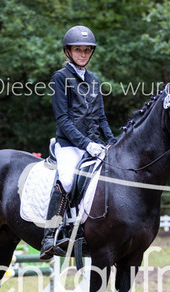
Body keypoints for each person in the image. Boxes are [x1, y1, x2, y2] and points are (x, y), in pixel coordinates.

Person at [40, 25, 115, 259]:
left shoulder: (94, 80)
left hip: (94, 144)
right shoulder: (60, 78)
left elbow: (101, 118)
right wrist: (86, 144)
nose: (83, 54)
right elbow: (63, 119)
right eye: (78, 49)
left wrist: (112, 142)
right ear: (68, 51)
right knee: (67, 179)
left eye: (87, 50)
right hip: (69, 145)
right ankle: (50, 234)